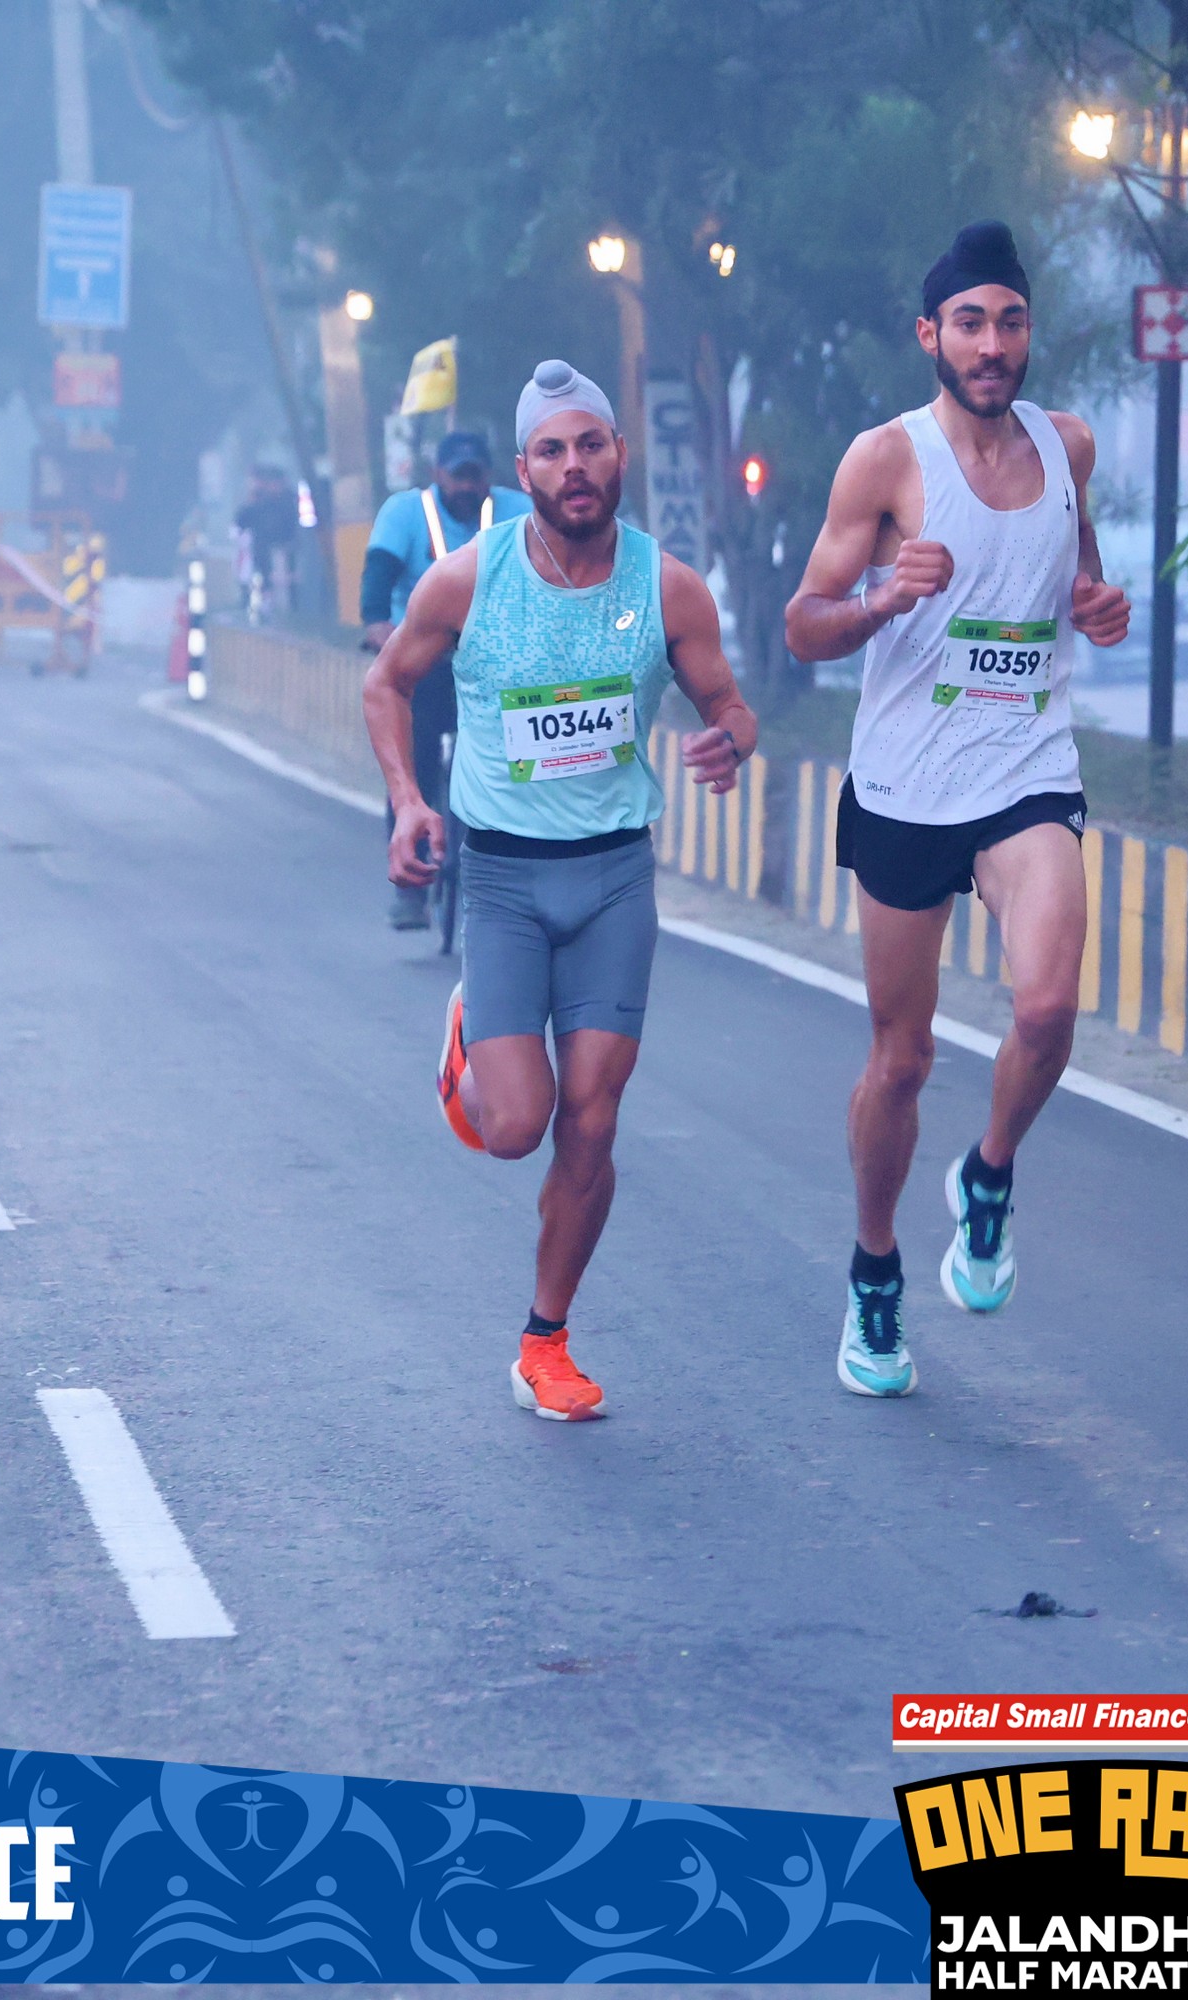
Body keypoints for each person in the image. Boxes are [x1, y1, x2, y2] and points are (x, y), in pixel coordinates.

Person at [362, 360, 758, 1422]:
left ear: (619, 454)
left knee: (591, 1120)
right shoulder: (468, 580)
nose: (573, 466)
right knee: (515, 1127)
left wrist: (729, 742)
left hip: (615, 881)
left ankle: (546, 1340)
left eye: (590, 445)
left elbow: (729, 703)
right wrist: (407, 802)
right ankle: (470, 1043)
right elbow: (385, 681)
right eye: (552, 450)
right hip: (500, 883)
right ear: (523, 470)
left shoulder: (668, 587)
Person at [782, 220, 1131, 1399]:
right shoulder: (886, 460)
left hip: (1025, 770)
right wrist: (882, 600)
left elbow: (1077, 575)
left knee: (1048, 1007)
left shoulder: (1067, 446)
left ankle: (988, 1174)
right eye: (970, 324)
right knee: (904, 1056)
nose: (992, 345)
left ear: (1030, 333)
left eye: (1011, 322)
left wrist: (1096, 604)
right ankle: (874, 1269)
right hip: (905, 788)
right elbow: (803, 623)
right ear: (930, 335)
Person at [363, 429, 528, 931]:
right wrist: (378, 630)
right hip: (423, 659)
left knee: (515, 763)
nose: (466, 487)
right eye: (458, 477)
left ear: (489, 477)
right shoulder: (406, 512)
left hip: (494, 663)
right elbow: (376, 587)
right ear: (438, 475)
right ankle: (411, 891)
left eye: (475, 476)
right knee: (413, 768)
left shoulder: (517, 511)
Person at [234, 464, 301, 618]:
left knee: (287, 584)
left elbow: (290, 525)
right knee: (262, 581)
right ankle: (265, 606)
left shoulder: (289, 501)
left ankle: (290, 611)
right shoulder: (261, 502)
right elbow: (241, 521)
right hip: (263, 552)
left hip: (286, 550)